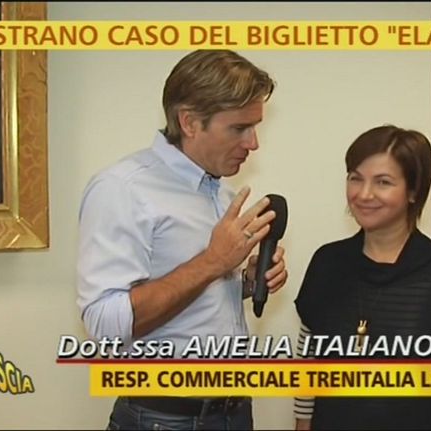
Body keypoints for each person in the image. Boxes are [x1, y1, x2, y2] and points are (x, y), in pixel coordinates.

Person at [76, 50, 288, 431]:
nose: (253, 143)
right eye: (239, 128)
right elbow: (105, 324)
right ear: (189, 122)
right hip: (164, 419)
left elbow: (194, 300)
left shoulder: (220, 192)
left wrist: (243, 280)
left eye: (255, 127)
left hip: (234, 412)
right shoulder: (122, 189)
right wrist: (213, 262)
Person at [293, 125, 431, 430]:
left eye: (383, 182)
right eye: (355, 178)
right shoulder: (327, 263)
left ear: (413, 191)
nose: (364, 194)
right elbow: (309, 360)